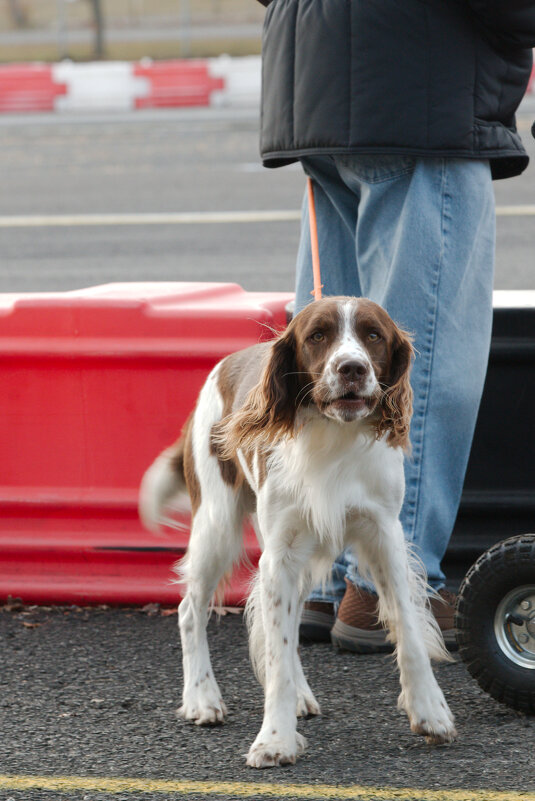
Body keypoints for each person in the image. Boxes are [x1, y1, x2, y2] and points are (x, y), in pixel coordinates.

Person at [256, 0, 535, 651]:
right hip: (419, 89)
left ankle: (318, 581)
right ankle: (389, 584)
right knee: (420, 360)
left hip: (315, 83)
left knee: (325, 358)